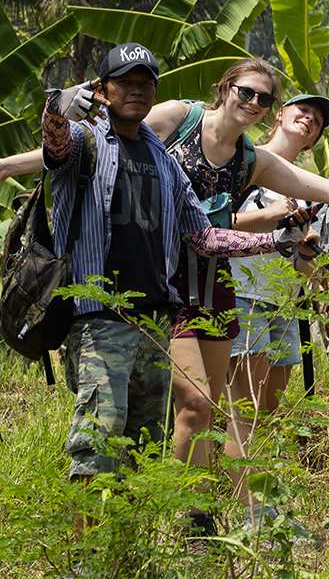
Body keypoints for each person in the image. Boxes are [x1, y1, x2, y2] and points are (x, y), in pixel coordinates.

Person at [9, 57, 329, 533]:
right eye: (245, 91)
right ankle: (184, 521)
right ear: (224, 89)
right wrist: (11, 162)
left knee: (211, 414)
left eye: (263, 98)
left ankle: (202, 520)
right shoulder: (176, 121)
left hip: (210, 286)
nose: (253, 102)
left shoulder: (246, 159)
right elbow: (83, 144)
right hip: (155, 289)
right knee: (184, 409)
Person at [40, 44, 295, 490]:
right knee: (98, 445)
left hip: (155, 321)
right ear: (103, 88)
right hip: (99, 317)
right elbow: (55, 141)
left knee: (142, 451)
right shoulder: (86, 141)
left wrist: (274, 241)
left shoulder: (164, 159)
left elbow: (203, 236)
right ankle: (87, 540)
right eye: (125, 82)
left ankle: (133, 537)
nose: (136, 90)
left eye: (145, 83)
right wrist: (57, 108)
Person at [224, 93, 329, 532]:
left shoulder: (310, 187)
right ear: (279, 115)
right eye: (302, 110)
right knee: (246, 408)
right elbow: (211, 223)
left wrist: (306, 249)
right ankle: (253, 516)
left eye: (318, 120)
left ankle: (268, 505)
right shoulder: (244, 162)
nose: (309, 118)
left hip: (285, 304)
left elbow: (306, 270)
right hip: (242, 293)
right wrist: (270, 216)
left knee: (271, 409)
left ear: (315, 140)